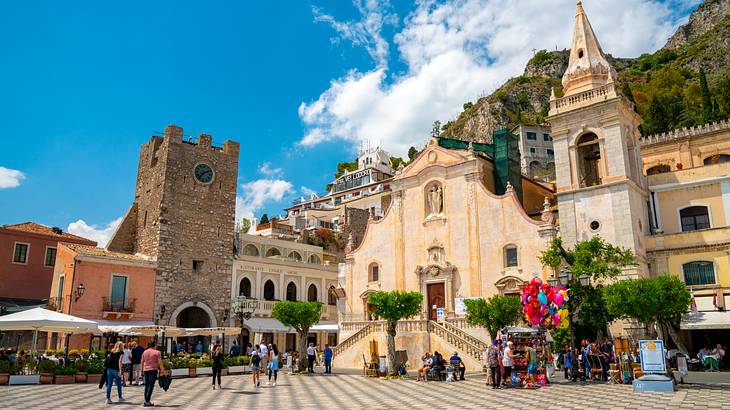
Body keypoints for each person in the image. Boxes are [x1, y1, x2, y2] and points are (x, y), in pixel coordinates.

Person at [141, 340, 166, 407]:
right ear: (155, 345)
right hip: (153, 370)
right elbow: (160, 363)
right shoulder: (157, 352)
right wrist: (164, 371)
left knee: (147, 385)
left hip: (146, 370)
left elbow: (142, 362)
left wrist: (141, 370)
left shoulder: (145, 351)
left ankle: (146, 400)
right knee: (151, 385)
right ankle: (147, 401)